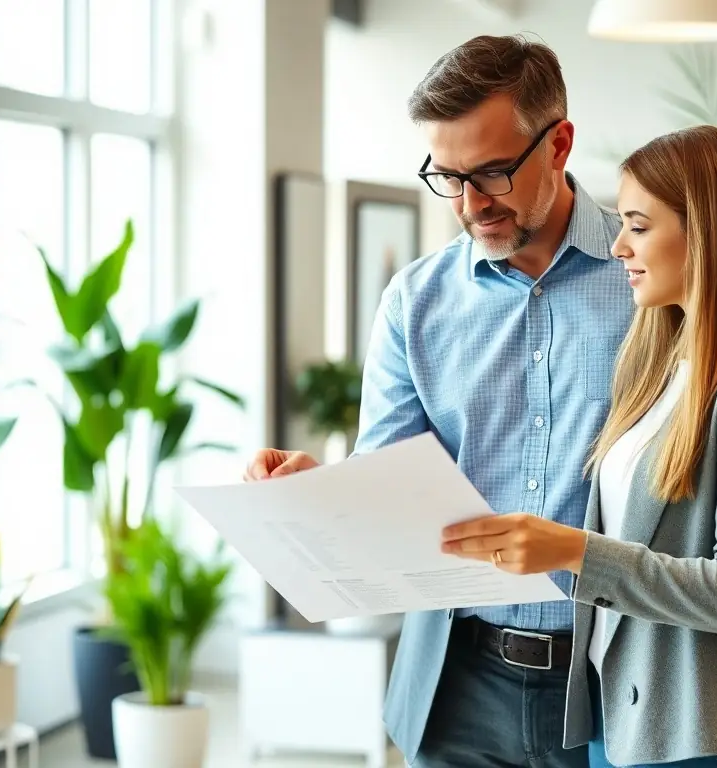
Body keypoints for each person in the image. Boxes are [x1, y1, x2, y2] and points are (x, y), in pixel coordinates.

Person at [243, 34, 635, 768]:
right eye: (446, 176)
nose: (469, 204)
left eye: (491, 172)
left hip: (613, 682)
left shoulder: (647, 281)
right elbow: (387, 481)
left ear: (559, 144)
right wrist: (317, 490)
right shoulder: (415, 302)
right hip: (457, 688)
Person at [441, 124, 717, 767]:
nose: (617, 246)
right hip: (627, 726)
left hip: (706, 740)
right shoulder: (668, 356)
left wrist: (572, 550)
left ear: (708, 232)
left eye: (638, 225)